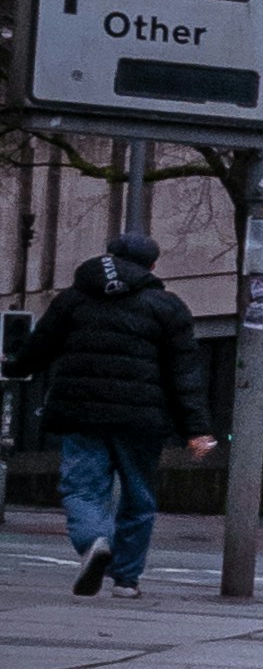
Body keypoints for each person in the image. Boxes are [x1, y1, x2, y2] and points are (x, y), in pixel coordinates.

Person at [26, 227, 211, 604]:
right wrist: (196, 429)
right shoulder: (167, 306)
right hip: (141, 419)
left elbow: (40, 348)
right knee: (138, 496)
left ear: (107, 256)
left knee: (82, 487)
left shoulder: (73, 300)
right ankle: (126, 581)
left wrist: (14, 366)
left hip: (82, 412)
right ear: (153, 265)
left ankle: (93, 540)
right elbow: (184, 374)